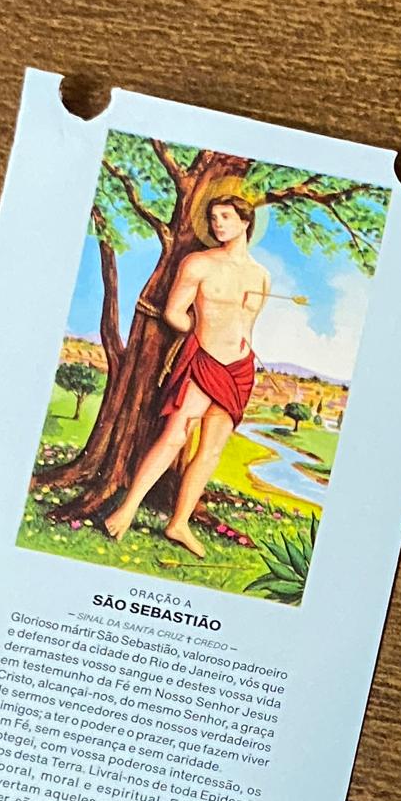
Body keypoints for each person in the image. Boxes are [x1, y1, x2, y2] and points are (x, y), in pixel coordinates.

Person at [102, 193, 270, 557]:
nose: (218, 224)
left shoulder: (261, 276)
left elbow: (248, 324)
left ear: (245, 222)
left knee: (211, 450)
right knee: (175, 436)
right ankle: (127, 509)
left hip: (240, 368)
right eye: (213, 218)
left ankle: (179, 523)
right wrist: (198, 328)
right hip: (205, 360)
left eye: (225, 217)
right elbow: (173, 313)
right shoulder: (198, 264)